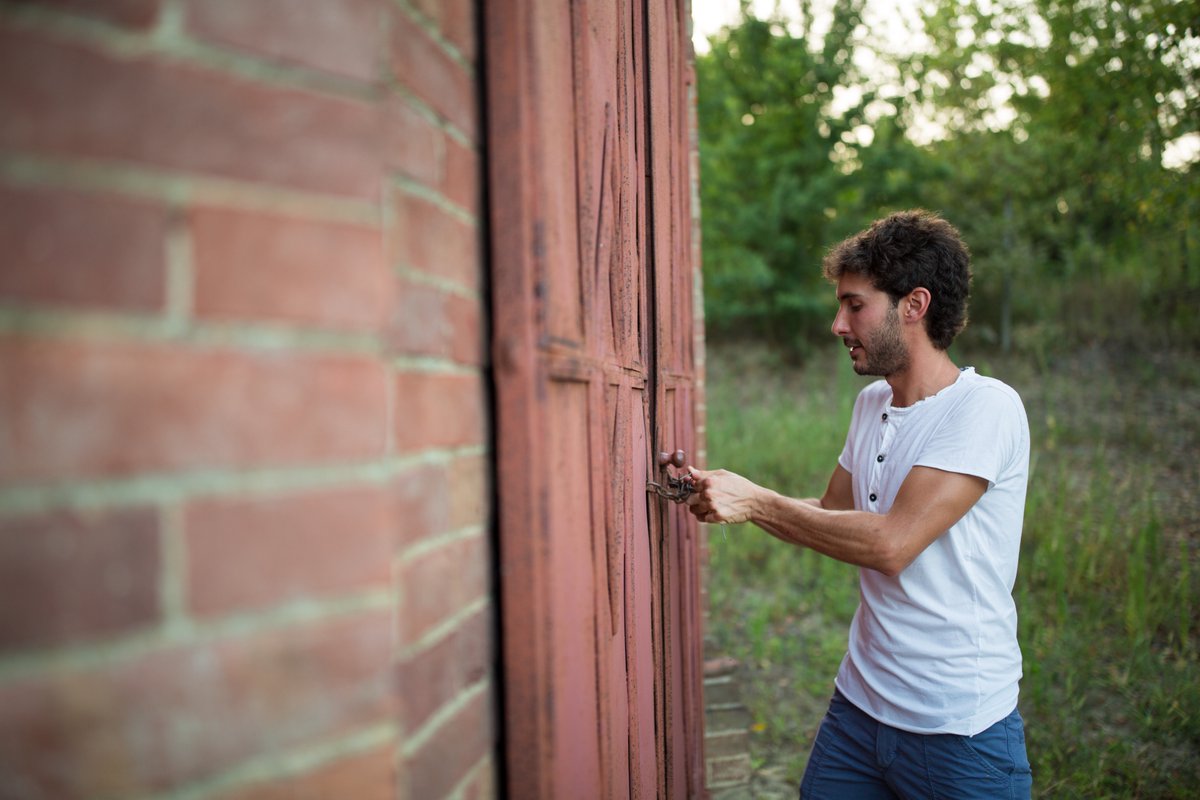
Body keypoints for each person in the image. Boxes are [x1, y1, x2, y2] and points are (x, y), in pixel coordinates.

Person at [685, 210, 1033, 799]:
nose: (837, 324)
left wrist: (758, 502)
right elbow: (830, 508)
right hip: (860, 710)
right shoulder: (873, 402)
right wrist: (726, 494)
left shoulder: (985, 409)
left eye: (854, 305)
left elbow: (890, 544)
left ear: (914, 305)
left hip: (957, 732)